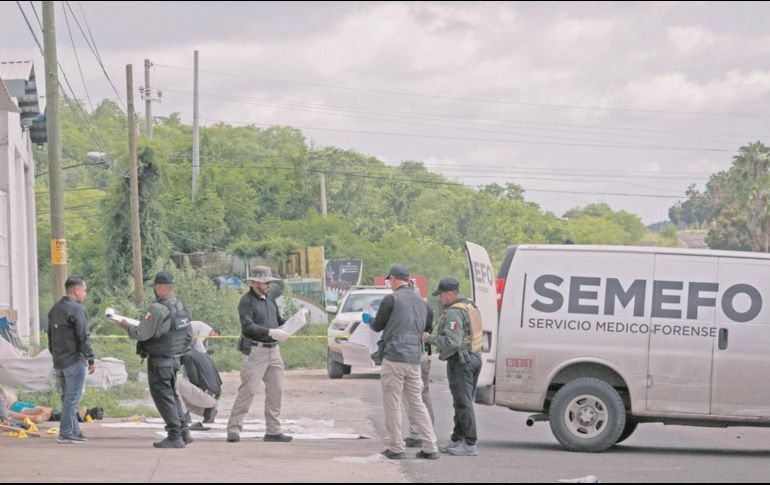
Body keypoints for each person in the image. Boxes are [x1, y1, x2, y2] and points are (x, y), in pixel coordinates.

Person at [118, 271, 193, 449]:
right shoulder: (182, 306)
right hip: (175, 359)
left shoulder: (157, 309)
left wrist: (125, 325)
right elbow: (188, 336)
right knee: (172, 396)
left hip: (160, 360)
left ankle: (174, 436)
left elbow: (141, 334)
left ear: (160, 288)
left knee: (163, 397)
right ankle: (184, 432)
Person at [371, 264, 438, 460]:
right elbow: (426, 326)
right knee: (416, 403)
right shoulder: (422, 302)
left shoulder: (390, 299)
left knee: (392, 402)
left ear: (392, 278)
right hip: (414, 359)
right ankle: (430, 446)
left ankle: (396, 446)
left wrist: (369, 320)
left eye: (389, 280)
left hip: (394, 357)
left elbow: (377, 326)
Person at [226, 266, 292, 444]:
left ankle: (273, 430)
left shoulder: (270, 300)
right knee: (249, 389)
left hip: (273, 350)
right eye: (265, 282)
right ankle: (233, 427)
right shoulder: (246, 301)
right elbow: (248, 327)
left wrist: (292, 324)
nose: (268, 285)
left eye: (269, 282)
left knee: (276, 390)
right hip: (255, 350)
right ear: (255, 282)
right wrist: (271, 331)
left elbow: (278, 321)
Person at [424, 277, 483, 456]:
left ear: (450, 294)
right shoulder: (469, 306)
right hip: (474, 357)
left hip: (461, 361)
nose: (440, 299)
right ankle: (457, 439)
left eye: (441, 295)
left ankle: (470, 444)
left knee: (463, 403)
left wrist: (429, 339)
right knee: (461, 401)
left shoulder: (454, 312)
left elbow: (452, 342)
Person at [47, 275, 96, 444]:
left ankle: (75, 430)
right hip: (74, 361)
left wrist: (55, 357)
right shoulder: (77, 309)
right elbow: (83, 336)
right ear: (77, 290)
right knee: (72, 398)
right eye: (84, 290)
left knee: (67, 398)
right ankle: (66, 432)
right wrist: (90, 358)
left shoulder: (54, 309)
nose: (85, 294)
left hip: (59, 362)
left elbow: (50, 337)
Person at [404, 280, 435, 448]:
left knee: (411, 395)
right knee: (424, 393)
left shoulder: (406, 308)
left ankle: (416, 432)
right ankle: (429, 429)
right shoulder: (427, 307)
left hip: (409, 354)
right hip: (424, 353)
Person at [179, 346, 222, 430]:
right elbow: (220, 381)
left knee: (174, 381)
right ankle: (207, 412)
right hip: (215, 397)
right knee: (183, 390)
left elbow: (194, 380)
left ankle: (183, 415)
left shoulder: (188, 356)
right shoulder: (205, 355)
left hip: (206, 397)